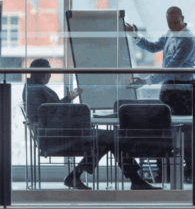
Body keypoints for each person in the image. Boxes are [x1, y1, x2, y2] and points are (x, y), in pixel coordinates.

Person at [22, 59, 159, 190]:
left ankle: (76, 176)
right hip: (57, 137)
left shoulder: (33, 89)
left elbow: (52, 112)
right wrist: (78, 117)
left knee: (109, 138)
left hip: (56, 134)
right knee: (111, 138)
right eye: (48, 73)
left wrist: (69, 101)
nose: (50, 76)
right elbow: (51, 116)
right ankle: (135, 180)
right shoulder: (36, 90)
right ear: (43, 73)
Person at [125, 6, 195, 183]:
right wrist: (135, 36)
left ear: (182, 18)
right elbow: (153, 47)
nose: (171, 24)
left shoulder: (188, 40)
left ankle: (190, 172)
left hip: (184, 90)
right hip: (169, 88)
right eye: (168, 21)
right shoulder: (170, 33)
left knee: (186, 133)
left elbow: (172, 67)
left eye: (175, 20)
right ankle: (163, 172)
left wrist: (146, 80)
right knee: (162, 129)